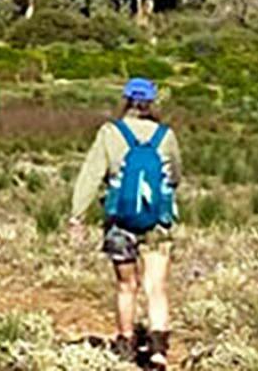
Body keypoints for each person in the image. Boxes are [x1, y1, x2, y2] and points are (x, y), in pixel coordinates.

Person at [69, 77, 182, 368]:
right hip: (159, 223)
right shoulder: (165, 135)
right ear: (151, 102)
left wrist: (77, 216)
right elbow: (175, 176)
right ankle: (158, 351)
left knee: (126, 286)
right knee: (156, 286)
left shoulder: (110, 133)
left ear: (126, 100)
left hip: (120, 223)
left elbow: (91, 175)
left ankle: (125, 343)